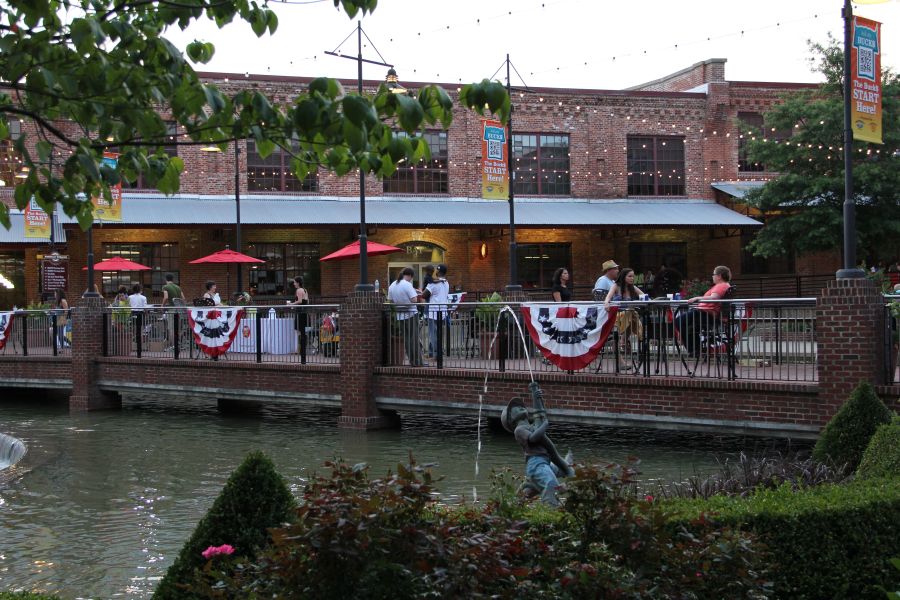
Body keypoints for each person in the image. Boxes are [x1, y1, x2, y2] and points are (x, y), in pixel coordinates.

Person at [500, 381, 574, 507]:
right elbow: (534, 438)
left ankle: (512, 508)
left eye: (522, 406)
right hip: (536, 464)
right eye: (517, 408)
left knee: (523, 497)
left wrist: (538, 398)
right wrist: (545, 425)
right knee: (550, 483)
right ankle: (552, 510)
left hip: (545, 462)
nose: (522, 407)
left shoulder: (531, 425)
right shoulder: (519, 430)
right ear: (511, 420)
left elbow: (539, 415)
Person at [674, 265, 732, 357]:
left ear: (719, 276)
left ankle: (694, 349)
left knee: (678, 321)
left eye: (714, 274)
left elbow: (714, 298)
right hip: (707, 314)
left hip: (705, 314)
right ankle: (696, 348)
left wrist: (697, 298)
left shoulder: (721, 285)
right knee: (688, 326)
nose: (712, 276)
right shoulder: (725, 285)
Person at [604, 268, 645, 371]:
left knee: (631, 313)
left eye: (633, 276)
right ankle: (623, 340)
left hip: (628, 317)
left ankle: (624, 339)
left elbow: (644, 296)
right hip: (617, 316)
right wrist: (606, 303)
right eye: (630, 276)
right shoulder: (616, 286)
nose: (632, 278)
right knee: (631, 313)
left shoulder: (632, 288)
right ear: (623, 277)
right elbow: (608, 297)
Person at [388, 266, 423, 366]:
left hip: (400, 315)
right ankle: (418, 362)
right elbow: (414, 300)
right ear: (411, 276)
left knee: (407, 339)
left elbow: (390, 300)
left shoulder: (393, 285)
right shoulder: (407, 285)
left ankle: (412, 361)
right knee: (414, 338)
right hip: (411, 314)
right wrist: (416, 293)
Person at [424, 264, 450, 360]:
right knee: (438, 334)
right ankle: (434, 353)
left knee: (433, 334)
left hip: (433, 312)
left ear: (438, 272)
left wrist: (419, 291)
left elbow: (424, 294)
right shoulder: (446, 283)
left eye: (437, 271)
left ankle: (437, 355)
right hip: (443, 312)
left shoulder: (433, 284)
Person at [286, 275, 309, 352]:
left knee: (300, 331)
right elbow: (307, 301)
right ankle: (303, 348)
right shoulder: (305, 290)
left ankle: (301, 349)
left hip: (300, 312)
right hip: (305, 311)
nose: (294, 284)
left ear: (298, 283)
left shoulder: (299, 290)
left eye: (295, 282)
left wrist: (291, 304)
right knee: (303, 330)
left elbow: (299, 301)